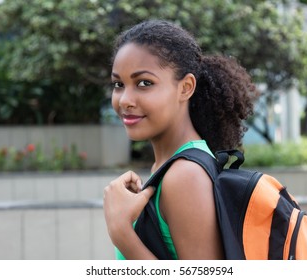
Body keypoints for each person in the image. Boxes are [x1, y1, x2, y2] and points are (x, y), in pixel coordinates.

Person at [103, 19, 259, 260]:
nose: (124, 99)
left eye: (144, 83)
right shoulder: (171, 168)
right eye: (119, 84)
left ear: (186, 87)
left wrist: (121, 231)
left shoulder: (185, 176)